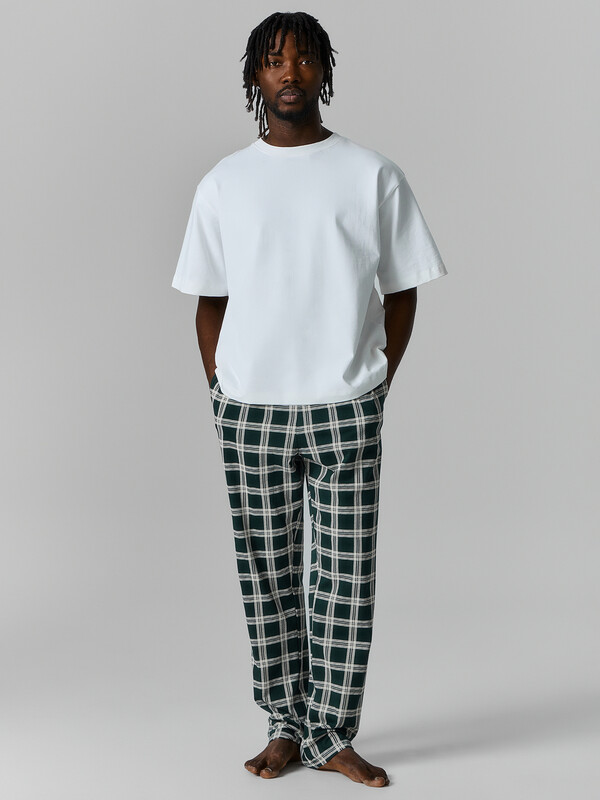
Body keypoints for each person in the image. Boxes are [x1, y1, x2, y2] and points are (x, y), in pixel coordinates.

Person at [172, 11, 448, 788]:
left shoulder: (371, 174)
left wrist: (375, 381)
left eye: (302, 59)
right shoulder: (224, 182)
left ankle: (331, 732)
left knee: (345, 578)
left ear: (324, 71)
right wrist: (222, 391)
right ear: (254, 77)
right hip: (250, 411)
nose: (289, 72)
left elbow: (403, 289)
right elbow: (209, 300)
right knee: (266, 574)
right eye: (273, 60)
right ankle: (285, 726)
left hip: (345, 406)